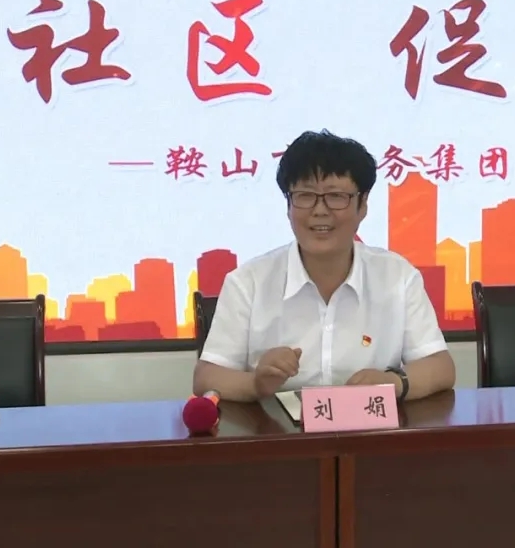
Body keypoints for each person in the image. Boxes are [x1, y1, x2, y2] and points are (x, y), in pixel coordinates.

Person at [193, 130, 456, 402]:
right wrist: (256, 383)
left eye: (336, 196)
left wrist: (394, 382)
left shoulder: (397, 277)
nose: (320, 210)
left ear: (363, 205)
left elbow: (440, 367)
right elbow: (207, 377)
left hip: (370, 427)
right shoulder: (248, 282)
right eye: (305, 195)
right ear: (288, 205)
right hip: (276, 428)